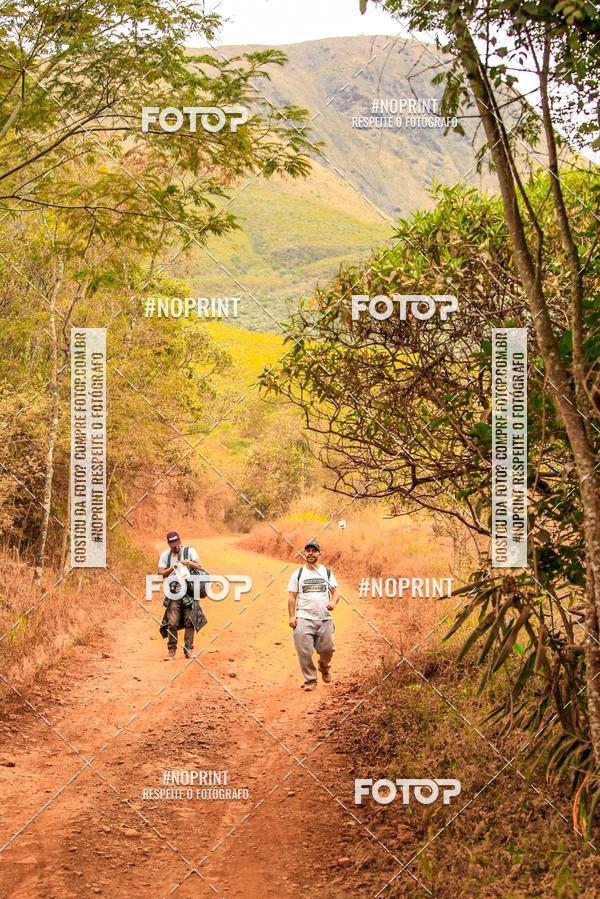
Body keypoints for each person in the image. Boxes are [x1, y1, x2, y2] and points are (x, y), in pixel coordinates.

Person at [287, 540, 338, 691]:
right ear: (304, 553)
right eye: (307, 551)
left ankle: (324, 666)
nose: (310, 553)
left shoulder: (326, 572)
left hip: (325, 619)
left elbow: (335, 592)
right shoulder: (298, 574)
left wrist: (333, 602)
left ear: (319, 554)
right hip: (304, 617)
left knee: (328, 650)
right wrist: (292, 616)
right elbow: (292, 596)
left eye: (313, 551)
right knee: (304, 651)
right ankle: (310, 680)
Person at [158, 530, 205, 659]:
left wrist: (189, 563)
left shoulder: (189, 551)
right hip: (174, 593)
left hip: (190, 591)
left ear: (180, 541)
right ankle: (171, 650)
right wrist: (172, 568)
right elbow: (160, 573)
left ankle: (188, 649)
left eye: (177, 543)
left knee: (190, 621)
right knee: (172, 623)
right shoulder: (165, 556)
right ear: (168, 544)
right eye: (173, 544)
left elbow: (200, 566)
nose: (176, 546)